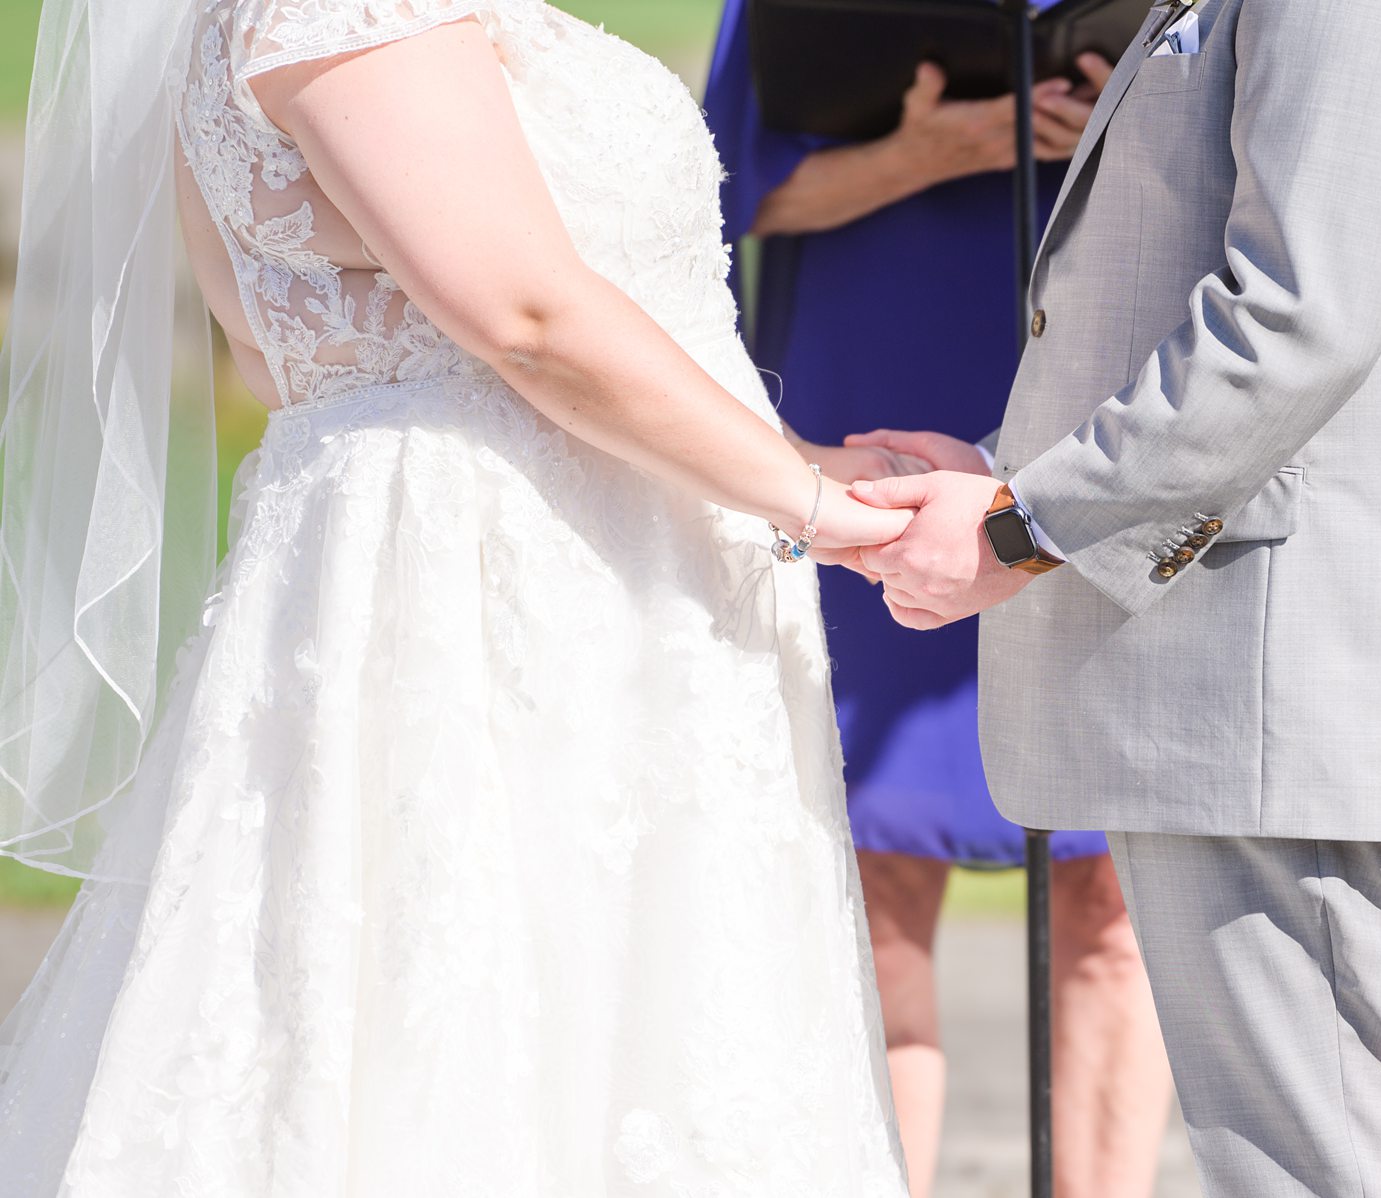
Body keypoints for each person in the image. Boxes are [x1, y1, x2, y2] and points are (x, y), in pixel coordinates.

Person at [0, 0, 919, 1191]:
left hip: (575, 556)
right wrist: (815, 509)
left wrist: (803, 460)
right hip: (493, 583)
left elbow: (296, 341)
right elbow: (527, 319)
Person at [837, 0, 1381, 1195]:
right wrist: (1015, 470)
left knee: (1312, 1162)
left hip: (1300, 663)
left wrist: (1025, 528)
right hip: (1256, 653)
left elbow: (1291, 320)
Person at [704, 4, 1170, 1194]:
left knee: (1118, 880)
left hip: (1118, 392)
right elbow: (718, 194)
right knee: (868, 859)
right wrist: (941, 149)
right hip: (882, 382)